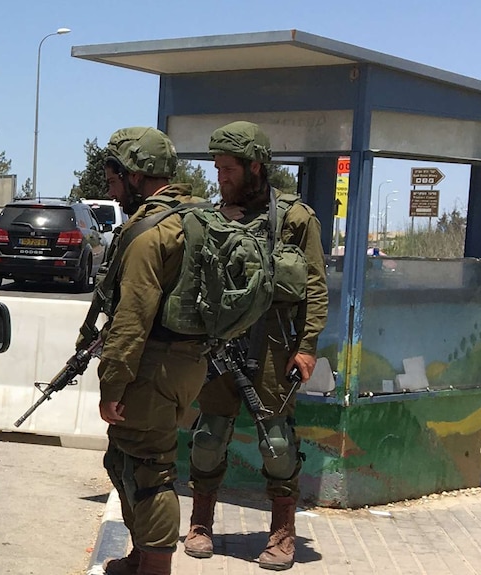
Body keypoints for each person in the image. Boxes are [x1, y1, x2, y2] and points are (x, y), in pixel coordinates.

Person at [184, 121, 329, 571]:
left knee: (278, 445)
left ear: (255, 166)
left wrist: (306, 347)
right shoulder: (210, 218)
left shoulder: (295, 218)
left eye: (228, 168)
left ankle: (283, 533)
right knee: (208, 438)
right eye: (217, 167)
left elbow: (316, 289)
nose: (219, 175)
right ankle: (201, 524)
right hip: (219, 346)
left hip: (272, 346)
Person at [89, 127, 210, 575]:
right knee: (124, 458)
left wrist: (112, 383)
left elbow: (132, 318)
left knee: (150, 469)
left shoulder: (148, 235)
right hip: (180, 363)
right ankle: (141, 557)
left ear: (136, 175)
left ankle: (155, 567)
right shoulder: (194, 216)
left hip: (153, 365)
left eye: (113, 180)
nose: (111, 191)